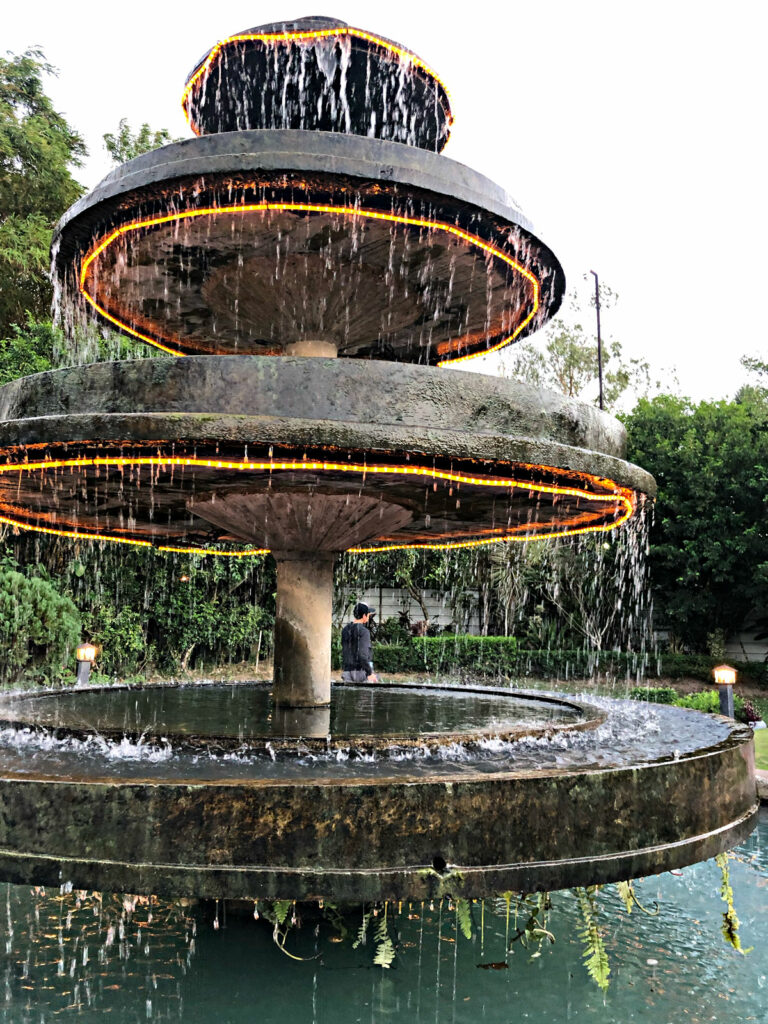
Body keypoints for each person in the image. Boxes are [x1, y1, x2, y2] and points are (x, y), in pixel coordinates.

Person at [341, 603, 379, 683]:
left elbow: (345, 651)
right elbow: (362, 655)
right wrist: (370, 673)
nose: (369, 617)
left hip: (347, 672)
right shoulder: (364, 632)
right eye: (368, 615)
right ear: (364, 616)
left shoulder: (345, 630)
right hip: (361, 672)